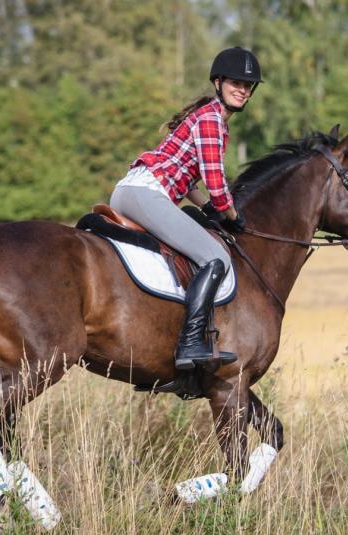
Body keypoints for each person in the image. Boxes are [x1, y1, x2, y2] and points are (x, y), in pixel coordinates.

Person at [109, 46, 262, 370]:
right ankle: (191, 342)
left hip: (136, 191)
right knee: (216, 256)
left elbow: (191, 182)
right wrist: (232, 215)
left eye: (248, 86)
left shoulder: (207, 118)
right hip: (147, 194)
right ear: (218, 82)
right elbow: (215, 180)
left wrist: (207, 208)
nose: (243, 90)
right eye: (236, 82)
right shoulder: (211, 120)